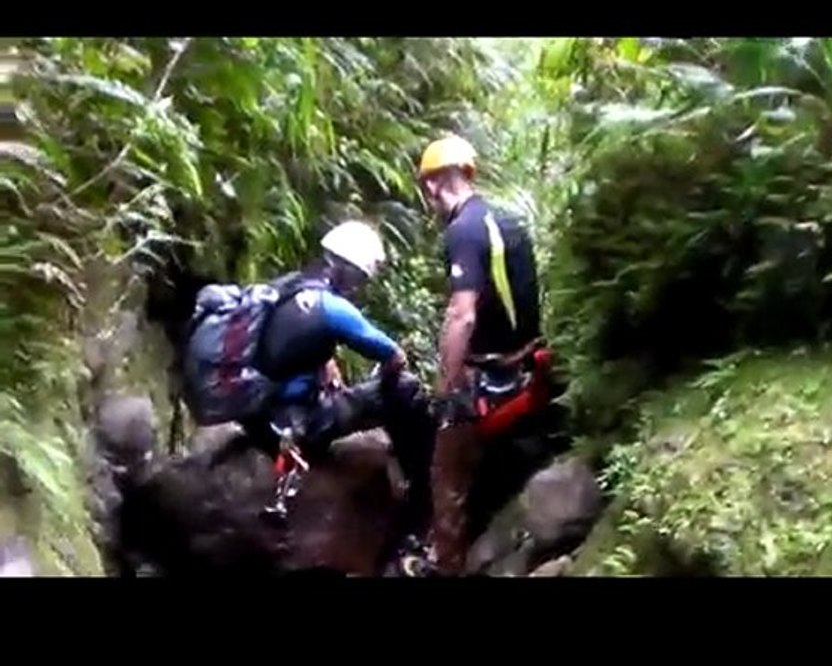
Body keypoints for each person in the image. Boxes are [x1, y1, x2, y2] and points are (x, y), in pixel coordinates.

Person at [183, 220, 437, 537]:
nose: (359, 286)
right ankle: (424, 498)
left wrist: (324, 361)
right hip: (298, 426)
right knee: (406, 390)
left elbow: (286, 341)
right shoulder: (333, 308)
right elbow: (393, 355)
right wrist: (388, 372)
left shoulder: (289, 285)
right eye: (360, 278)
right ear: (350, 271)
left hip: (259, 415)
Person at [398, 135, 555, 577]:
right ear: (468, 172)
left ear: (432, 185)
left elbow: (462, 316)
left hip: (492, 373)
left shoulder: (462, 231)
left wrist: (446, 385)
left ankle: (443, 565)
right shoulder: (508, 220)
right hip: (528, 361)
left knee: (445, 471)